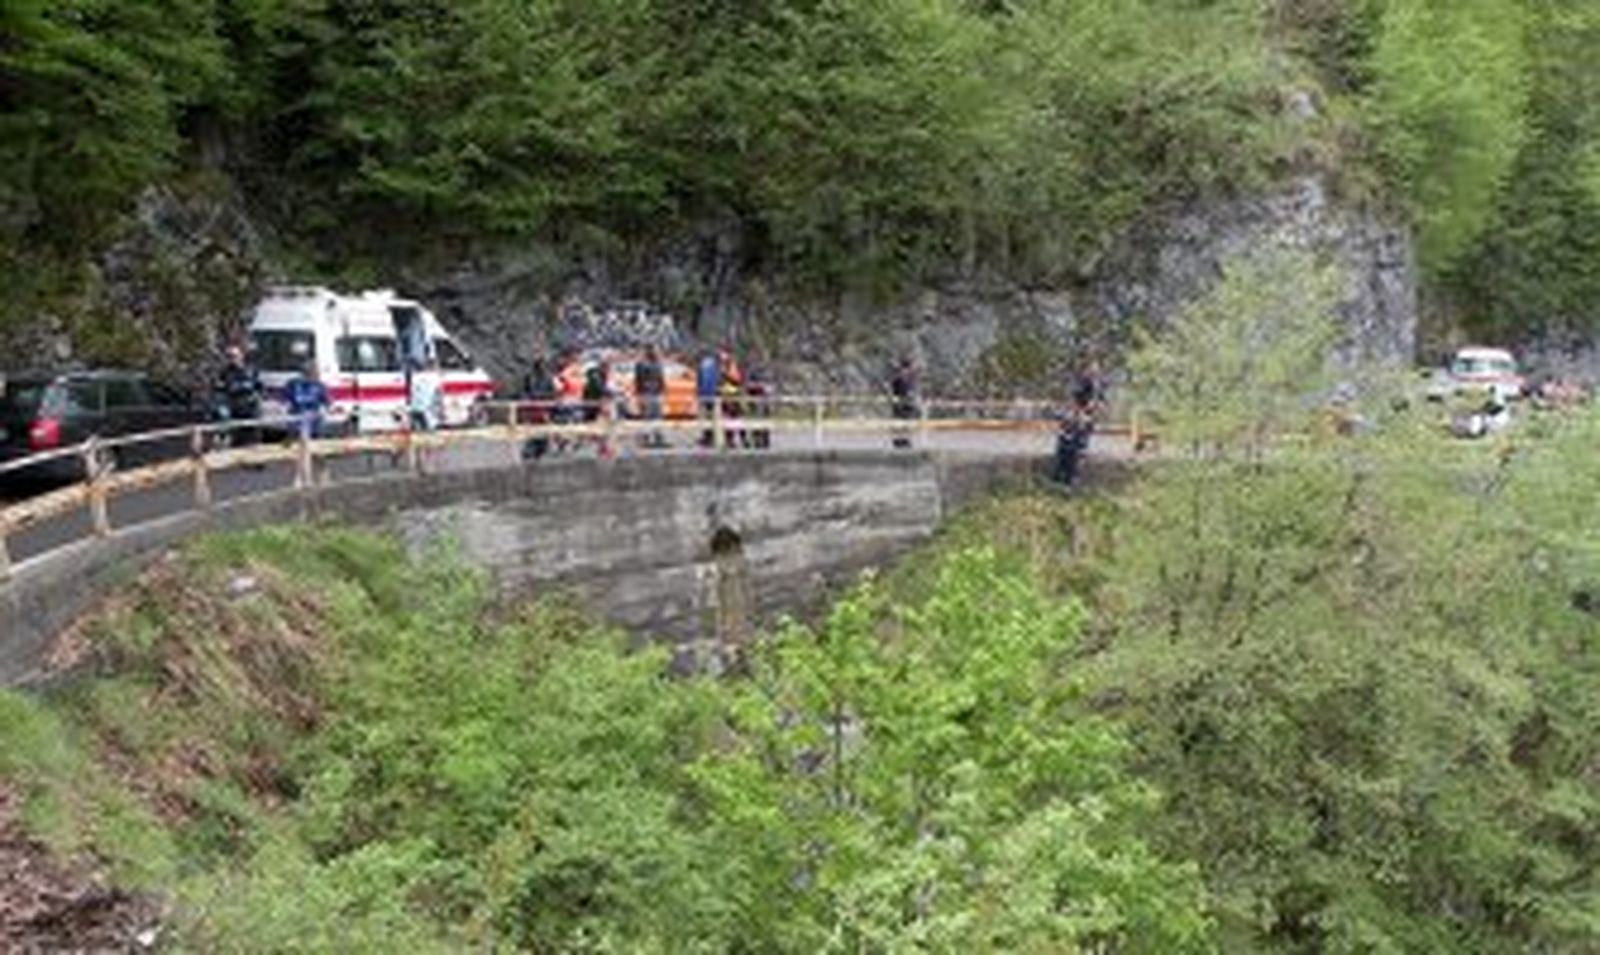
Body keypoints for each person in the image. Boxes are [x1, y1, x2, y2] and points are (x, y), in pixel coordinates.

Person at [214, 343, 262, 446]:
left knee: (252, 440)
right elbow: (220, 389)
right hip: (234, 408)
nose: (232, 359)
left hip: (250, 408)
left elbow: (258, 386)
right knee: (236, 440)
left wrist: (253, 395)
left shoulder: (251, 370)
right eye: (229, 356)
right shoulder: (225, 372)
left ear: (241, 356)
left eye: (234, 356)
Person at [284, 360, 330, 441]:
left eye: (317, 373)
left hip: (313, 420)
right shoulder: (293, 384)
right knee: (301, 427)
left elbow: (327, 401)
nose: (317, 375)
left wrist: (325, 409)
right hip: (297, 418)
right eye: (314, 373)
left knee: (309, 427)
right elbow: (286, 399)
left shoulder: (319, 385)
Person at [521, 356, 557, 461]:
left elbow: (552, 393)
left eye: (543, 365)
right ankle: (528, 452)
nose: (542, 367)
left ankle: (539, 452)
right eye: (539, 364)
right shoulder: (529, 377)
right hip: (532, 408)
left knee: (543, 433)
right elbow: (525, 391)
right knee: (532, 432)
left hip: (544, 408)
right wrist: (527, 401)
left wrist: (545, 399)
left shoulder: (548, 378)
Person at [634, 347, 667, 449]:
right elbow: (660, 379)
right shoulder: (656, 364)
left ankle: (649, 437)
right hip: (653, 393)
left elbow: (638, 380)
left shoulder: (641, 364)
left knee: (649, 416)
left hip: (648, 393)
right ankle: (656, 437)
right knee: (654, 416)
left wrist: (639, 392)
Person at [889, 356, 918, 449]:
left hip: (908, 403)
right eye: (904, 368)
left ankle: (906, 440)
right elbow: (893, 391)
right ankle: (898, 440)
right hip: (899, 403)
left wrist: (912, 397)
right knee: (898, 422)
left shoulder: (912, 378)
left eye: (908, 368)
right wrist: (895, 399)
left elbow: (913, 391)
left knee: (907, 421)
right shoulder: (897, 379)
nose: (906, 371)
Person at [697, 348, 722, 448]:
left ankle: (707, 437)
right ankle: (711, 437)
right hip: (713, 394)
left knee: (707, 417)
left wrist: (699, 394)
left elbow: (700, 381)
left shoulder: (703, 365)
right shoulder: (714, 365)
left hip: (705, 395)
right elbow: (717, 379)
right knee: (713, 417)